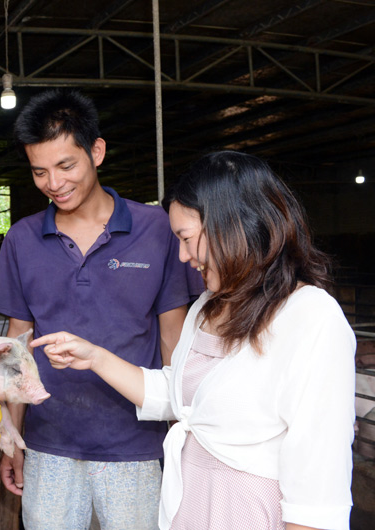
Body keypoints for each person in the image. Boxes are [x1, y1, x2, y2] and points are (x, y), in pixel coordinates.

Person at [34, 150, 356, 530]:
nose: (184, 256)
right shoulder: (207, 306)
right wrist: (95, 357)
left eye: (187, 239)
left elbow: (318, 487)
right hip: (191, 506)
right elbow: (179, 396)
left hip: (248, 513)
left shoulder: (310, 316)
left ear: (235, 226)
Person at [0, 89, 203, 529]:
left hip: (136, 446)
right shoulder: (22, 240)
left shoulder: (157, 229)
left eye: (67, 165)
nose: (54, 183)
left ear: (97, 151)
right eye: (40, 172)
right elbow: (17, 347)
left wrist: (186, 434)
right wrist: (12, 438)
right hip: (49, 444)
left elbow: (173, 339)